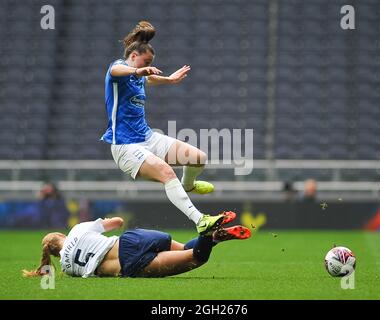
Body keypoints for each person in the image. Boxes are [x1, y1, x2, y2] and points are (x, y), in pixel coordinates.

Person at [100, 21, 223, 235]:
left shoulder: (138, 76)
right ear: (134, 57)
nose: (146, 67)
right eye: (145, 62)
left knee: (198, 158)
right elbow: (117, 70)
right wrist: (139, 71)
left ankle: (187, 186)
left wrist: (168, 79)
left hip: (148, 138)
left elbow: (149, 79)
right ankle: (200, 220)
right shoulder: (118, 69)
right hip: (125, 146)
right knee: (167, 173)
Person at [22, 213, 251, 278]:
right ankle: (212, 236)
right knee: (185, 250)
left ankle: (209, 235)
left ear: (52, 254)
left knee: (195, 258)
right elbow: (118, 222)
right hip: (131, 240)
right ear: (61, 235)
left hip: (129, 265)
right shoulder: (78, 229)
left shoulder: (66, 268)